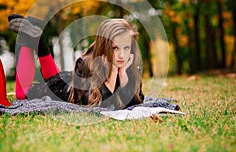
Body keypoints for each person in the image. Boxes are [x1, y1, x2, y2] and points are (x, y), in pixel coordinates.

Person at [8, 15, 144, 110]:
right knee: (22, 94)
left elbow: (135, 103)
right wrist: (113, 73)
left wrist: (124, 77)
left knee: (53, 77)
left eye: (126, 48)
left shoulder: (128, 65)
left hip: (65, 80)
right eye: (115, 48)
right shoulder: (86, 64)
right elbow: (97, 106)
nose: (122, 55)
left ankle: (39, 41)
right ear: (104, 47)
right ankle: (26, 39)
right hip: (58, 91)